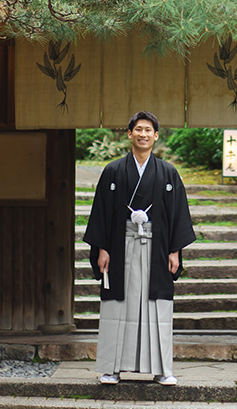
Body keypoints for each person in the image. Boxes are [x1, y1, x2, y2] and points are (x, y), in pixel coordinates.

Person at [83, 110, 195, 386]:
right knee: (117, 305)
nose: (143, 134)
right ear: (129, 133)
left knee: (157, 305)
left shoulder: (167, 172)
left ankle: (161, 369)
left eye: (149, 130)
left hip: (157, 247)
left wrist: (175, 250)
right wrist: (102, 249)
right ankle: (111, 368)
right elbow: (102, 212)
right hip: (120, 245)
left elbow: (177, 213)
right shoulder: (113, 171)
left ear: (156, 136)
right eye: (138, 129)